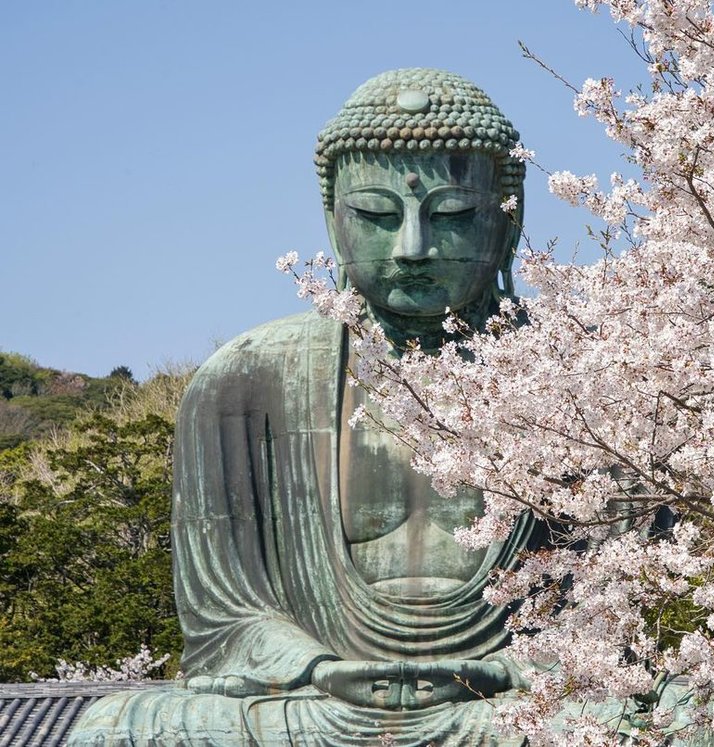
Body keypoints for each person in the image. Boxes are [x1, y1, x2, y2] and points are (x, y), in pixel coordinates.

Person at [69, 68, 544, 747]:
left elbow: (625, 618)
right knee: (115, 728)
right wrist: (318, 666)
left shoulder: (606, 382)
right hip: (316, 702)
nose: (412, 247)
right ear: (332, 216)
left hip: (506, 704)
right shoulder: (244, 380)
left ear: (507, 214)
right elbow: (227, 617)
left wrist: (512, 667)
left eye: (451, 216)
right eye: (378, 216)